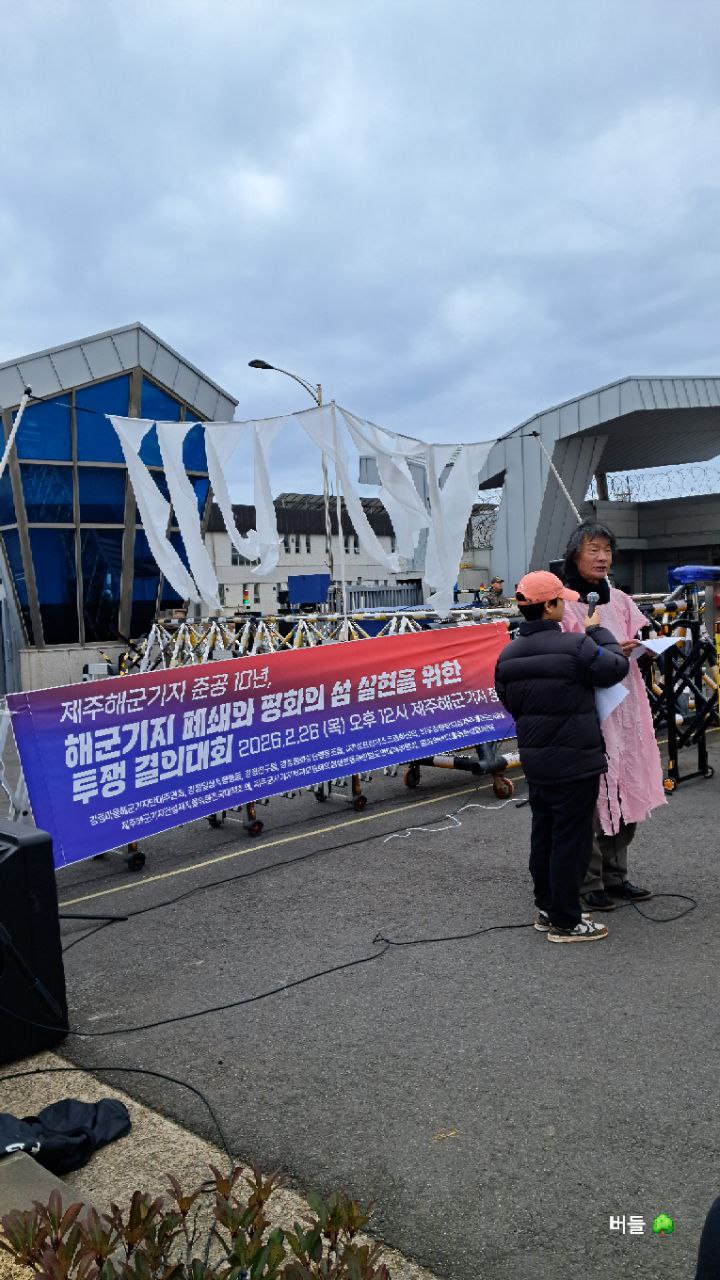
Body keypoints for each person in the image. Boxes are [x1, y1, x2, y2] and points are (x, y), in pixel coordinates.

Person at [494, 570, 629, 943]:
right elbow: (615, 667)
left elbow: (510, 701)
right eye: (561, 601)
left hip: (537, 761)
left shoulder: (507, 654)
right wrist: (598, 632)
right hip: (576, 760)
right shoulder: (576, 646)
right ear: (549, 605)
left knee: (545, 834)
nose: (565, 607)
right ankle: (567, 920)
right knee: (572, 840)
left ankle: (548, 908)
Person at [560, 521, 664, 911]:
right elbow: (563, 654)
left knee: (626, 783)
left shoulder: (619, 599)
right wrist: (603, 650)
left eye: (607, 550)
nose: (602, 557)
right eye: (593, 549)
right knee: (590, 794)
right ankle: (589, 880)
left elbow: (640, 638)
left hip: (627, 705)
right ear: (575, 554)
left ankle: (616, 874)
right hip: (589, 707)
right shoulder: (563, 601)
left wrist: (646, 650)